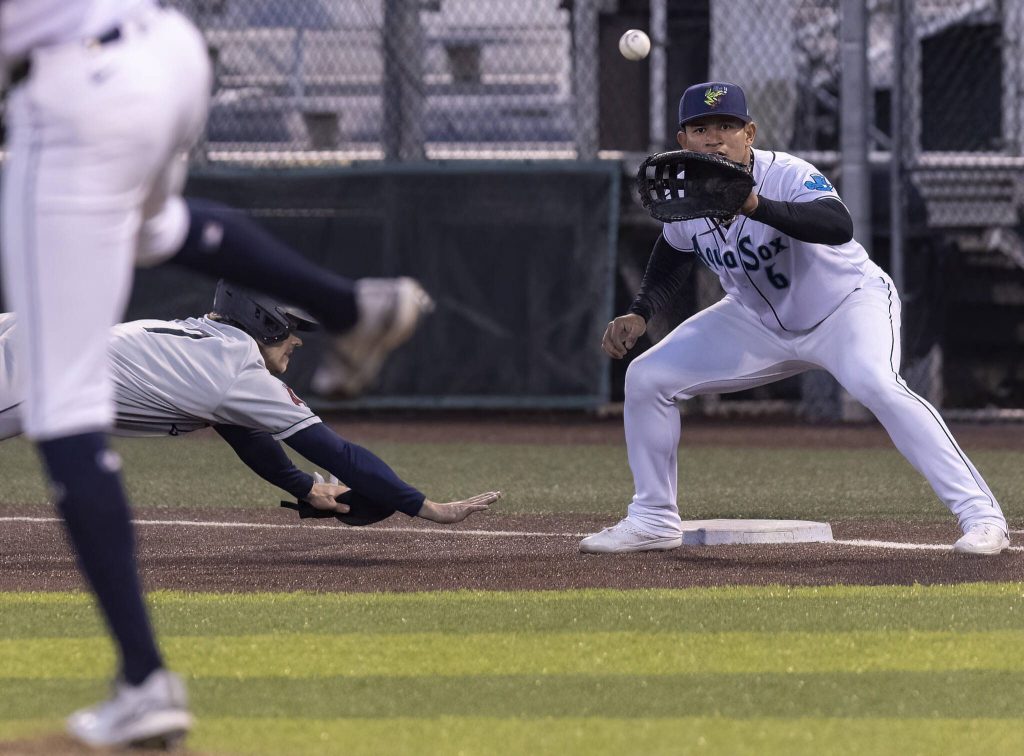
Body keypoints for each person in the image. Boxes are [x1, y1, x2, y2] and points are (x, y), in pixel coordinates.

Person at [0, 1, 429, 747]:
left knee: (62, 401)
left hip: (77, 90)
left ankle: (143, 680)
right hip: (168, 58)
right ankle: (352, 303)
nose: (293, 345)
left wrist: (410, 500)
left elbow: (298, 439)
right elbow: (253, 433)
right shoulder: (227, 364)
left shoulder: (226, 357)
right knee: (158, 227)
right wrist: (310, 489)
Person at [580, 81, 1009, 557]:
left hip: (847, 308)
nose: (714, 138)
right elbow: (674, 250)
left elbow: (836, 224)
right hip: (755, 322)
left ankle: (982, 516)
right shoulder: (686, 192)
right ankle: (653, 519)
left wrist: (755, 205)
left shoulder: (785, 174)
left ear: (750, 132)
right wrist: (641, 310)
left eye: (726, 126)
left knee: (877, 385)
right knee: (647, 377)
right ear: (683, 140)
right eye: (701, 128)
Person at [0, 284, 499, 523]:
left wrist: (302, 487)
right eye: (290, 328)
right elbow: (337, 454)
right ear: (261, 320)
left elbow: (242, 430)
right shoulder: (238, 369)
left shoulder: (213, 345)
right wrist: (426, 506)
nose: (297, 341)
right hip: (34, 367)